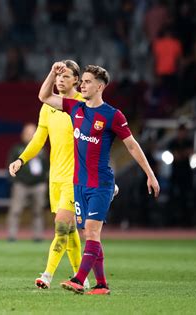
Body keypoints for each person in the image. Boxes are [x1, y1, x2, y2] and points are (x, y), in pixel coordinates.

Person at [39, 62, 160, 295]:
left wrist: (150, 174)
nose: (82, 85)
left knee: (92, 233)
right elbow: (44, 96)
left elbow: (132, 146)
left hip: (101, 185)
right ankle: (102, 284)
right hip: (79, 184)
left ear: (100, 87)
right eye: (81, 81)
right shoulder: (75, 108)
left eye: (87, 82)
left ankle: (78, 279)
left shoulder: (113, 115)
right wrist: (52, 73)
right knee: (89, 234)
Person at [9, 60, 89, 290]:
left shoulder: (83, 105)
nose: (60, 80)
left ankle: (47, 275)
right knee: (70, 230)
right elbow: (38, 140)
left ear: (77, 80)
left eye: (66, 76)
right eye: (58, 77)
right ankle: (80, 278)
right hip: (55, 177)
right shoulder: (49, 106)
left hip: (76, 178)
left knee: (62, 226)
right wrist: (21, 159)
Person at [7, 123, 49, 241]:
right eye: (28, 133)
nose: (30, 136)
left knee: (38, 211)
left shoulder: (41, 149)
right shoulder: (17, 149)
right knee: (15, 210)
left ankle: (38, 236)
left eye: (33, 133)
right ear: (23, 135)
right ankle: (11, 235)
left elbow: (47, 166)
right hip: (21, 184)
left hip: (38, 185)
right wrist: (15, 180)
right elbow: (9, 164)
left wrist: (45, 180)